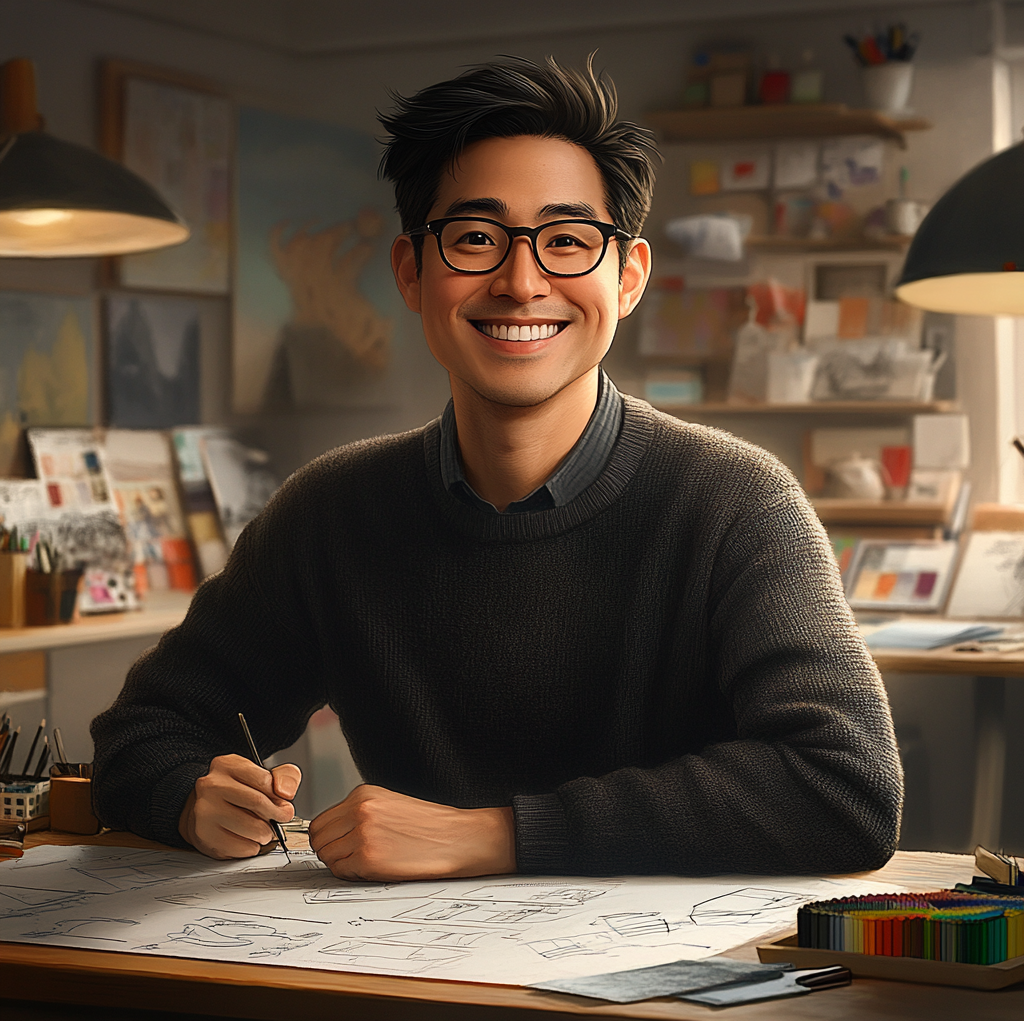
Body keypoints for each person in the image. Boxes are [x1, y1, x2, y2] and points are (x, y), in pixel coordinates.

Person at [91, 56, 902, 882]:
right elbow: (145, 728)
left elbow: (844, 787)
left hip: (670, 987)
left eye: (567, 241)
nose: (521, 282)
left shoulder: (736, 501)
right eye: (476, 238)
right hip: (409, 976)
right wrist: (191, 793)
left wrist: (495, 836)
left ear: (627, 277)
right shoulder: (331, 513)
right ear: (412, 271)